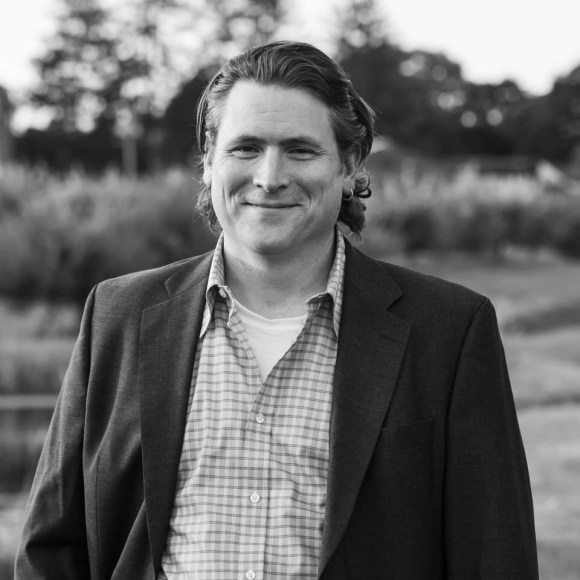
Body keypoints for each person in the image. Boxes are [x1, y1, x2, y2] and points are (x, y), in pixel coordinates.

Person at [16, 41, 538, 579]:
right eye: (245, 148)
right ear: (209, 161)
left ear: (350, 166)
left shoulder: (449, 331)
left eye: (300, 150)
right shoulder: (117, 315)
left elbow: (495, 556)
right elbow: (51, 550)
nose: (269, 177)